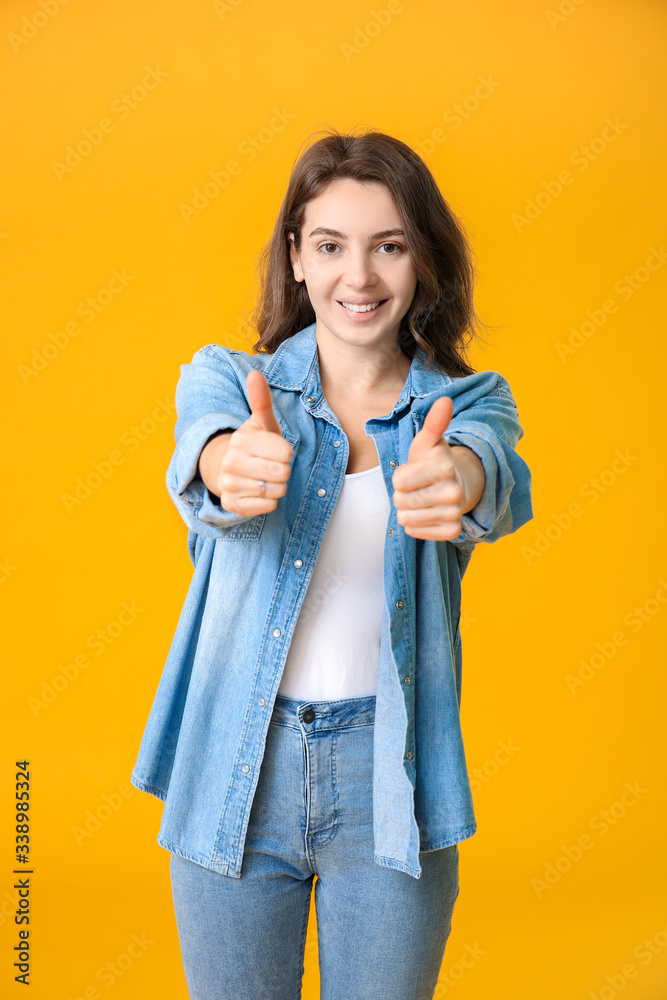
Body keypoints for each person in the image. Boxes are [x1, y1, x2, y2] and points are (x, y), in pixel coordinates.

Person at [131, 128, 534, 1000]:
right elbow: (202, 452)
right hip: (236, 760)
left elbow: (492, 469)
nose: (359, 277)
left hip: (390, 778)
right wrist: (228, 464)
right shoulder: (229, 383)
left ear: (421, 260)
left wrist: (455, 479)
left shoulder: (466, 402)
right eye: (330, 246)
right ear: (297, 259)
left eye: (388, 246)